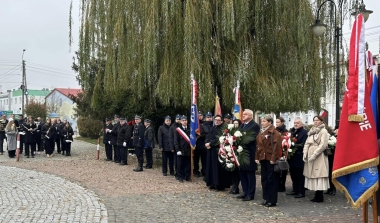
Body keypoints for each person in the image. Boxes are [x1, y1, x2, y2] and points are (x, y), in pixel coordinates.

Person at [255, 114, 282, 207]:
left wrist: (273, 158)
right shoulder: (261, 132)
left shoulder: (274, 133)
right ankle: (266, 198)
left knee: (272, 180)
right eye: (262, 121)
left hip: (270, 159)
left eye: (264, 121)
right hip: (263, 158)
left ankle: (272, 200)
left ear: (270, 122)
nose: (262, 123)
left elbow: (277, 147)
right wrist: (257, 157)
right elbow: (258, 146)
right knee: (264, 179)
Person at [303, 115, 329, 203]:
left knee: (319, 174)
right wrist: (305, 153)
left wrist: (315, 154)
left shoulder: (324, 131)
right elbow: (307, 143)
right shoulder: (312, 131)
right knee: (312, 174)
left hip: (319, 155)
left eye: (317, 120)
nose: (315, 122)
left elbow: (323, 144)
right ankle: (316, 194)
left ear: (321, 121)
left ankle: (320, 195)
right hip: (310, 153)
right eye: (314, 120)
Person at [237, 109, 260, 201]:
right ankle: (245, 191)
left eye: (245, 114)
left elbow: (251, 138)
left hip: (249, 153)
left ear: (251, 116)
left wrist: (239, 140)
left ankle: (251, 194)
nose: (243, 115)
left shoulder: (255, 126)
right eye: (243, 114)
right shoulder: (242, 125)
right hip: (241, 153)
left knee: (250, 174)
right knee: (242, 173)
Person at [205, 115, 231, 190]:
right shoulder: (213, 127)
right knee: (211, 166)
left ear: (222, 121)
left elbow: (219, 139)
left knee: (218, 168)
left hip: (218, 150)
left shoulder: (223, 129)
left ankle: (219, 184)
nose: (216, 121)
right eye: (215, 120)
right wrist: (206, 143)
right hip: (210, 150)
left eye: (218, 120)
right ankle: (212, 183)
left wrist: (210, 144)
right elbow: (208, 137)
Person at [286, 118, 308, 198]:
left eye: (298, 123)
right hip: (292, 157)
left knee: (300, 175)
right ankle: (295, 190)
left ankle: (301, 191)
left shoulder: (304, 133)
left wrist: (294, 147)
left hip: (299, 157)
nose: (296, 124)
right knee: (293, 174)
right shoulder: (292, 132)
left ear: (302, 124)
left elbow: (304, 144)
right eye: (295, 123)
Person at [194, 112, 212, 178]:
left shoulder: (205, 124)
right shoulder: (194, 124)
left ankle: (204, 171)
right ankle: (196, 171)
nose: (199, 117)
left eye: (201, 115)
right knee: (196, 160)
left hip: (204, 145)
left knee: (204, 160)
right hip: (196, 144)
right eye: (198, 115)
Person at [174, 115, 191, 182]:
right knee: (180, 164)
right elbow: (176, 141)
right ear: (180, 121)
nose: (184, 122)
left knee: (187, 164)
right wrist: (178, 150)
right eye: (183, 120)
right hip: (181, 149)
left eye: (185, 120)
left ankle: (187, 176)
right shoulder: (178, 130)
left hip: (188, 149)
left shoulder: (190, 129)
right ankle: (180, 176)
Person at [275, 117, 288, 192]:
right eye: (276, 122)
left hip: (282, 151)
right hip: (276, 151)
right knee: (276, 169)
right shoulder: (275, 130)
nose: (277, 124)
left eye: (278, 122)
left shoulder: (285, 131)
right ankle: (277, 184)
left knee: (283, 169)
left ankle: (282, 185)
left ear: (282, 123)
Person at [229, 118, 242, 194]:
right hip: (231, 153)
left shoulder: (240, 132)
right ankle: (234, 185)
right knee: (232, 170)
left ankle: (236, 186)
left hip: (238, 153)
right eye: (234, 123)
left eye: (237, 123)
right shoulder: (230, 132)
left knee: (238, 171)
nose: (235, 125)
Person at [325, 129, 337, 196]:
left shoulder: (332, 138)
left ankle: (333, 188)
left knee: (331, 173)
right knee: (327, 174)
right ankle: (329, 188)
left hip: (332, 158)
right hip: (327, 157)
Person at [169, 114, 182, 179]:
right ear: (175, 120)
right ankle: (177, 173)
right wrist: (171, 147)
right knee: (177, 161)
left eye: (179, 119)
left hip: (182, 146)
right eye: (177, 119)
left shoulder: (182, 126)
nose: (178, 120)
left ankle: (182, 173)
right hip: (175, 146)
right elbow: (171, 138)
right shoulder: (172, 127)